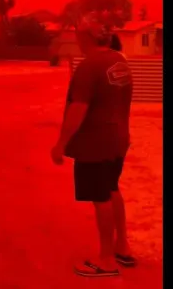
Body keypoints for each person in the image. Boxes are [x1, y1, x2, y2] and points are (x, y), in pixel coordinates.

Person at [51, 16, 135, 277]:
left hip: (95, 144)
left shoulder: (89, 66)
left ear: (86, 37)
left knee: (101, 199)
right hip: (118, 139)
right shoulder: (119, 60)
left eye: (78, 34)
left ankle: (106, 260)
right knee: (112, 189)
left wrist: (61, 143)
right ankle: (122, 247)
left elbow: (78, 109)